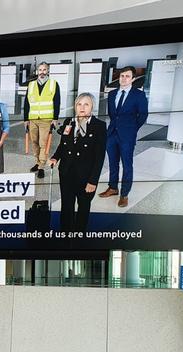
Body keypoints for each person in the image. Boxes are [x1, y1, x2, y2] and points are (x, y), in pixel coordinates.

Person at [49, 93, 106, 232]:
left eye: (86, 104)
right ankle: (65, 234)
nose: (82, 107)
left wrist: (93, 181)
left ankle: (79, 235)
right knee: (66, 206)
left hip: (86, 177)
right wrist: (55, 157)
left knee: (83, 207)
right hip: (67, 173)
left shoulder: (99, 126)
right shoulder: (69, 122)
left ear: (92, 106)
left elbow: (99, 157)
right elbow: (63, 145)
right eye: (79, 104)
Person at [98, 66, 149, 208]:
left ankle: (124, 194)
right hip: (112, 134)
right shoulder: (113, 94)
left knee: (127, 165)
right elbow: (112, 114)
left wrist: (132, 129)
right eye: (121, 76)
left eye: (127, 76)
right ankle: (113, 188)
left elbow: (143, 114)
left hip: (127, 135)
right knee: (112, 163)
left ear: (133, 79)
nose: (123, 78)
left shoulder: (138, 95)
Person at [24, 62, 60, 179]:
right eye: (40, 70)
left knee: (43, 144)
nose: (42, 72)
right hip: (33, 119)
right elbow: (26, 103)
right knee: (34, 142)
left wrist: (55, 118)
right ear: (37, 71)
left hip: (46, 119)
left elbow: (57, 102)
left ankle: (41, 167)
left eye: (44, 70)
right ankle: (38, 162)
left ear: (48, 71)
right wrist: (26, 119)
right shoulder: (31, 85)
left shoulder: (53, 84)